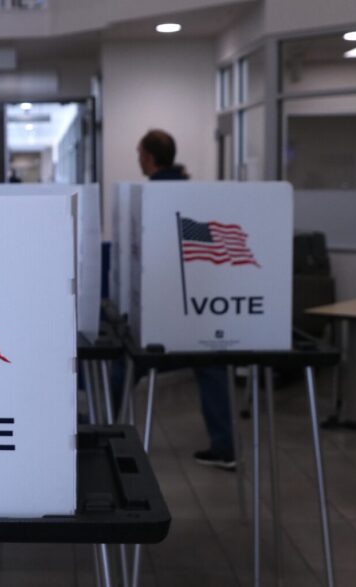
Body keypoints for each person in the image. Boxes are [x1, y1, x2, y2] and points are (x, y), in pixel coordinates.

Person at [132, 129, 236, 470]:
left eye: (140, 153)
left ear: (149, 156)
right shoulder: (194, 193)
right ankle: (224, 446)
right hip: (200, 300)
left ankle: (101, 425)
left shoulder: (151, 196)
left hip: (163, 298)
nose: (138, 159)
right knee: (210, 365)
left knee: (127, 362)